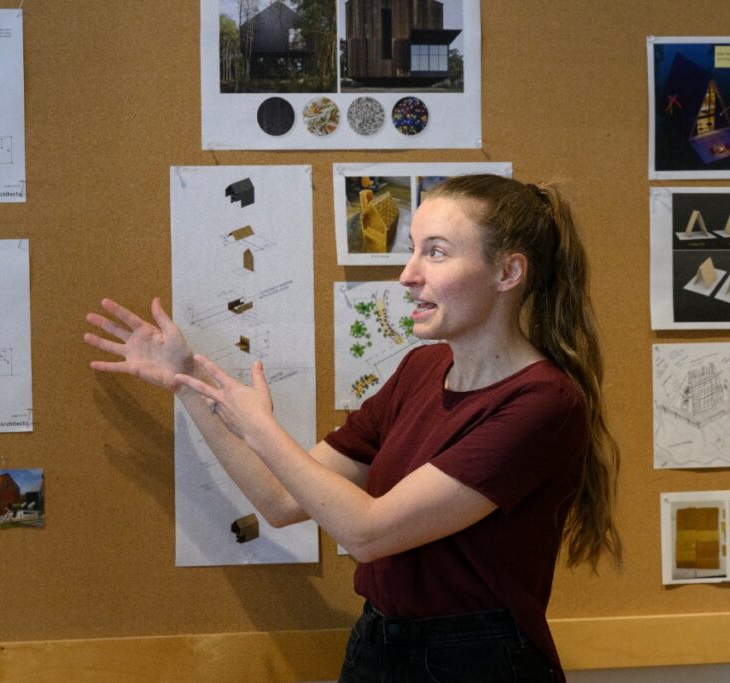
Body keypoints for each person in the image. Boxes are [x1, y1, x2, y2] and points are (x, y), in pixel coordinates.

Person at [83, 173, 622, 682]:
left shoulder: (543, 404)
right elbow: (278, 500)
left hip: (474, 658)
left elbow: (369, 532)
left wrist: (261, 426)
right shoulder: (422, 368)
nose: (409, 274)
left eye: (435, 252)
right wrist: (187, 380)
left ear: (508, 273)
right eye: (412, 249)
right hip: (377, 642)